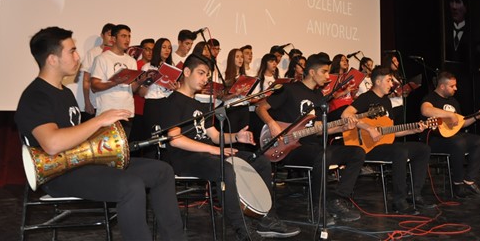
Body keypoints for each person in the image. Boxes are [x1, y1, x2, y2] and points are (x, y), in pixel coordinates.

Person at [15, 27, 185, 240]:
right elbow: (52, 144)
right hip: (58, 175)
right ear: (52, 59)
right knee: (131, 185)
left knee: (162, 171)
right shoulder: (36, 96)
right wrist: (99, 121)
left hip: (84, 164)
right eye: (72, 51)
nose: (78, 57)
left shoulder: (65, 93)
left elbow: (77, 136)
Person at [157, 54, 300, 240]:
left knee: (260, 161)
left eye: (207, 75)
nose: (205, 79)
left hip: (210, 155)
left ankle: (266, 219)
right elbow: (175, 140)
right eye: (201, 73)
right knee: (225, 168)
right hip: (186, 158)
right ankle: (242, 229)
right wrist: (214, 150)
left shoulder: (201, 105)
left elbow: (216, 136)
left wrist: (237, 136)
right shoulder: (172, 101)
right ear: (186, 72)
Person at [255, 53, 365, 223]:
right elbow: (260, 108)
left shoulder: (319, 97)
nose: (328, 77)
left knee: (357, 153)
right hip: (290, 148)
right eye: (324, 72)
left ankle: (336, 199)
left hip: (314, 148)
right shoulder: (289, 89)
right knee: (323, 154)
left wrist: (343, 127)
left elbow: (319, 130)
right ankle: (318, 208)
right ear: (312, 73)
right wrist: (272, 124)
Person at [341, 66, 435, 214]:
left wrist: (413, 129)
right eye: (389, 80)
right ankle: (399, 201)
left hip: (384, 145)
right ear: (378, 81)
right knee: (399, 150)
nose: (392, 84)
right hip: (367, 147)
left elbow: (391, 131)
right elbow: (346, 114)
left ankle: (414, 194)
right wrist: (368, 128)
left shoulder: (387, 101)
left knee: (423, 149)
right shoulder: (366, 98)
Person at [420, 71, 480, 198]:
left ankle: (469, 181)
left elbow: (461, 123)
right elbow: (425, 110)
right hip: (435, 139)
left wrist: (477, 116)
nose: (456, 88)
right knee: (458, 142)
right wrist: (450, 114)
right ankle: (457, 183)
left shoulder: (453, 101)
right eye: (452, 86)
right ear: (442, 86)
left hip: (453, 137)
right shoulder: (430, 98)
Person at [90, 24, 150, 136]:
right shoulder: (102, 58)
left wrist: (140, 82)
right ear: (113, 39)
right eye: (123, 36)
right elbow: (94, 86)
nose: (127, 39)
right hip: (107, 112)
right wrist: (114, 83)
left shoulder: (131, 61)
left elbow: (132, 89)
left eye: (129, 36)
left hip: (127, 112)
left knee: (124, 146)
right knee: (107, 146)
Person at [75, 22, 114, 121]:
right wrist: (87, 102)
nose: (111, 38)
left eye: (113, 35)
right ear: (102, 35)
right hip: (95, 103)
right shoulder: (93, 53)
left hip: (112, 104)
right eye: (109, 34)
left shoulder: (118, 55)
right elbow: (86, 80)